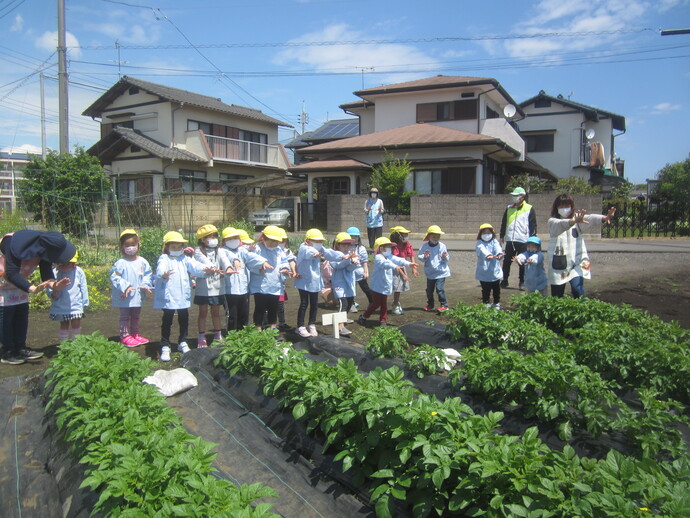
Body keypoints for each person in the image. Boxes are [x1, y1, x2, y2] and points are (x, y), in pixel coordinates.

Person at [0, 230, 74, 364]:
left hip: (20, 285)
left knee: (21, 314)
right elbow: (11, 272)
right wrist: (32, 288)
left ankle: (20, 347)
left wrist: (54, 285)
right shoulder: (12, 243)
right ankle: (8, 351)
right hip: (3, 284)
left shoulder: (43, 248)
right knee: (6, 317)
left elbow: (46, 272)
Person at [153, 231, 215, 362]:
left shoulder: (185, 259)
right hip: (168, 296)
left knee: (184, 318)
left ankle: (182, 341)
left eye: (179, 247)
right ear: (167, 248)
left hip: (182, 296)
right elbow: (160, 268)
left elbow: (196, 267)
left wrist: (207, 269)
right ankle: (165, 344)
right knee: (167, 319)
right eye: (173, 247)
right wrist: (163, 274)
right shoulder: (164, 258)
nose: (177, 249)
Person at [548, 194, 616, 298]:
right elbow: (561, 224)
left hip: (577, 261)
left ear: (572, 206)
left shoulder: (578, 220)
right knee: (557, 295)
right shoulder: (552, 221)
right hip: (559, 263)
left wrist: (605, 218)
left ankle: (581, 311)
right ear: (556, 207)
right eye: (561, 206)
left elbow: (590, 218)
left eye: (567, 206)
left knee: (578, 290)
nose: (564, 209)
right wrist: (573, 221)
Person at [358, 237, 417, 326]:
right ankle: (364, 317)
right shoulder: (378, 257)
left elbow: (398, 259)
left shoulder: (389, 256)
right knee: (376, 304)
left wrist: (409, 264)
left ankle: (383, 321)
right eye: (388, 247)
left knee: (384, 305)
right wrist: (395, 267)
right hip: (377, 286)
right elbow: (385, 264)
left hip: (385, 286)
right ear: (381, 248)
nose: (390, 249)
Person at [110, 229, 153, 347]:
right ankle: (124, 336)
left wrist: (145, 285)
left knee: (135, 315)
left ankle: (134, 333)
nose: (130, 247)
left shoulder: (143, 261)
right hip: (124, 295)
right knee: (124, 316)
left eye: (133, 245)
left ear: (138, 245)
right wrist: (125, 286)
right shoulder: (120, 263)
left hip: (138, 295)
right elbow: (115, 277)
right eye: (127, 245)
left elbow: (148, 275)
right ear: (122, 247)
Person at [247, 225, 290, 331]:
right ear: (264, 238)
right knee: (260, 308)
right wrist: (259, 268)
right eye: (271, 241)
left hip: (275, 283)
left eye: (276, 242)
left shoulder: (278, 250)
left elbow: (284, 261)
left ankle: (272, 330)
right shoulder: (257, 249)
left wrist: (285, 268)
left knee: (273, 308)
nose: (274, 244)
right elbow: (249, 263)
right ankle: (258, 329)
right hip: (260, 284)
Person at [294, 228, 332, 338]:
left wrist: (342, 256)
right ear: (307, 241)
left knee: (314, 304)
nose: (319, 243)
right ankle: (300, 326)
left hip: (314, 282)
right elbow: (308, 253)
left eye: (320, 241)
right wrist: (315, 254)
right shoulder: (304, 248)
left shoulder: (319, 249)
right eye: (316, 241)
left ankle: (312, 324)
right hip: (304, 281)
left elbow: (329, 253)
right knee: (304, 303)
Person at [499, 187, 537, 290]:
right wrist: (502, 235)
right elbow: (504, 222)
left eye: (516, 196)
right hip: (511, 239)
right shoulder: (509, 208)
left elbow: (533, 225)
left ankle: (522, 282)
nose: (514, 198)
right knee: (507, 261)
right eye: (513, 196)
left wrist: (532, 240)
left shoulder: (529, 208)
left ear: (522, 197)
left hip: (524, 240)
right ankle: (504, 280)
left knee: (522, 262)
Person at [47, 250, 89, 341]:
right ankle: (64, 344)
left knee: (76, 322)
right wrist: (51, 294)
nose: (65, 266)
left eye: (69, 264)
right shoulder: (55, 272)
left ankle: (76, 342)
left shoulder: (79, 272)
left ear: (74, 263)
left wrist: (85, 301)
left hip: (76, 303)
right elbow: (49, 284)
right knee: (64, 323)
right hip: (61, 303)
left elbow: (83, 286)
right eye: (63, 263)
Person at [193, 224, 224, 347]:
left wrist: (229, 267)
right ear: (202, 239)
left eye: (215, 236)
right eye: (210, 237)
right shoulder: (197, 251)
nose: (214, 239)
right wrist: (212, 267)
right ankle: (201, 336)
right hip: (203, 288)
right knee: (203, 312)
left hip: (217, 287)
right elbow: (203, 261)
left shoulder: (219, 250)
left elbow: (225, 260)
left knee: (216, 312)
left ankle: (218, 334)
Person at [329, 232, 360, 336]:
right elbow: (338, 266)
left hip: (349, 283)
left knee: (350, 302)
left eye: (348, 244)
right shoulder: (333, 255)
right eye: (343, 245)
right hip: (339, 283)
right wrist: (349, 260)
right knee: (343, 303)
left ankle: (342, 320)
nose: (346, 247)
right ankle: (340, 326)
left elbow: (350, 268)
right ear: (338, 245)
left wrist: (353, 262)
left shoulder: (350, 255)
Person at [417, 225, 451, 312]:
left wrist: (444, 257)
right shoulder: (424, 246)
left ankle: (444, 305)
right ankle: (430, 305)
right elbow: (420, 257)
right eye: (433, 236)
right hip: (430, 272)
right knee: (429, 290)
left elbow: (447, 258)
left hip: (441, 272)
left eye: (438, 236)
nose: (436, 238)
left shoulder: (442, 246)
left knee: (439, 289)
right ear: (429, 236)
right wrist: (425, 256)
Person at [475, 223, 504, 308]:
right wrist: (488, 255)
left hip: (495, 270)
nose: (486, 235)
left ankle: (496, 302)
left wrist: (499, 254)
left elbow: (498, 248)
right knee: (486, 289)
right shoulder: (479, 243)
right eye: (484, 233)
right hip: (484, 271)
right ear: (480, 234)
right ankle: (486, 303)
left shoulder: (494, 241)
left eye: (488, 232)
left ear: (492, 233)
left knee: (496, 288)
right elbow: (481, 249)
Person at [389, 225, 417, 315]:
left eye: (406, 235)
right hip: (393, 267)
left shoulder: (406, 244)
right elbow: (394, 260)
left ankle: (395, 304)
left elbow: (411, 254)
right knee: (390, 287)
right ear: (398, 236)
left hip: (402, 266)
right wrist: (403, 274)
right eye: (404, 235)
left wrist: (414, 268)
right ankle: (388, 304)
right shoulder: (392, 246)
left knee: (398, 288)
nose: (406, 237)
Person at [346, 226, 373, 311]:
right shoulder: (345, 248)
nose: (354, 238)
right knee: (351, 289)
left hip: (359, 272)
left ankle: (372, 302)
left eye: (356, 236)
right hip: (349, 271)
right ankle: (351, 304)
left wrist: (366, 272)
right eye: (352, 237)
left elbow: (364, 261)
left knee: (365, 288)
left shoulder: (361, 248)